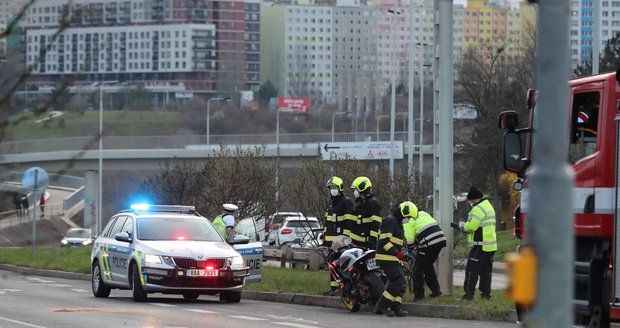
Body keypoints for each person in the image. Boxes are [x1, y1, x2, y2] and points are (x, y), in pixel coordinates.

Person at [401, 201, 446, 302]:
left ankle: (419, 296)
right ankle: (436, 291)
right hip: (440, 240)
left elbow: (409, 239)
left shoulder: (407, 220)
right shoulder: (424, 213)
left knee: (417, 270)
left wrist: (409, 251)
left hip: (428, 243)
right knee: (428, 266)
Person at [458, 186, 497, 301]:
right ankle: (486, 295)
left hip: (479, 246)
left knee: (471, 271)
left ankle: (468, 295)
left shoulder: (478, 209)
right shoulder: (488, 206)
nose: (470, 203)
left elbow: (471, 226)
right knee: (486, 272)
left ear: (474, 199)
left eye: (470, 201)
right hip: (490, 246)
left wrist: (462, 226)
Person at [374, 202, 408, 317]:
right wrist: (397, 253)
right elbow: (384, 241)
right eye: (407, 217)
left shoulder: (398, 224)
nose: (407, 219)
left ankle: (396, 307)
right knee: (397, 280)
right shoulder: (390, 221)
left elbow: (396, 243)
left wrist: (403, 254)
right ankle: (381, 306)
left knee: (402, 282)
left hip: (393, 258)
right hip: (386, 258)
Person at [323, 176, 354, 296]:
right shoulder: (331, 202)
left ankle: (341, 288)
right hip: (331, 242)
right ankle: (334, 288)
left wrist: (345, 239)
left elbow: (349, 222)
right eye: (331, 188)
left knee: (340, 265)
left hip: (341, 241)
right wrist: (324, 238)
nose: (333, 190)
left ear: (340, 188)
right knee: (331, 264)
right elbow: (328, 222)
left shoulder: (346, 202)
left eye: (335, 187)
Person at [349, 176, 381, 250]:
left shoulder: (373, 203)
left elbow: (376, 223)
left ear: (362, 188)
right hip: (355, 243)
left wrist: (372, 240)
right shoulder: (358, 203)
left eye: (356, 189)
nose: (355, 191)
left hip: (366, 244)